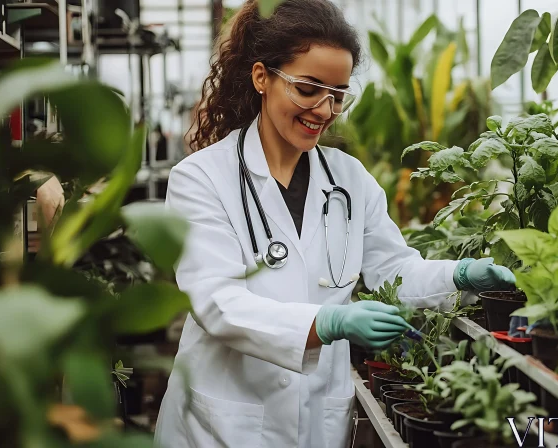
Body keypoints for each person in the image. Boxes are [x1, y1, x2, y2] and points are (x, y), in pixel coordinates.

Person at [153, 1, 516, 447]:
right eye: (308, 88)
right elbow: (218, 303)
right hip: (221, 424)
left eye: (338, 93)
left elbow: (393, 272)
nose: (324, 110)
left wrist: (458, 275)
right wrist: (328, 322)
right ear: (262, 77)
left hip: (316, 419)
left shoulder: (348, 180)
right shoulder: (202, 179)